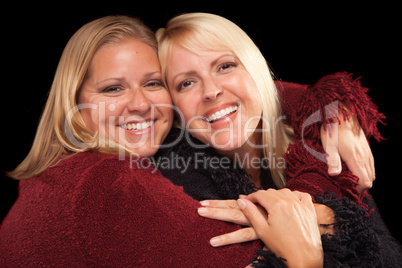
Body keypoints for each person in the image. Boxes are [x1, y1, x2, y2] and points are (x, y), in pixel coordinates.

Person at [0, 15, 324, 267]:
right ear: (73, 103)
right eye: (113, 88)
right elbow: (268, 255)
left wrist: (331, 106)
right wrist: (306, 257)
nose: (141, 104)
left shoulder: (62, 174)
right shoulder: (109, 183)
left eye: (153, 83)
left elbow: (247, 95)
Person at [155, 12, 402, 266]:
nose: (211, 91)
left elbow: (390, 257)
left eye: (225, 66)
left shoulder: (319, 143)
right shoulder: (175, 182)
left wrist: (316, 216)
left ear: (255, 68)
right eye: (186, 83)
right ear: (173, 107)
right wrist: (325, 221)